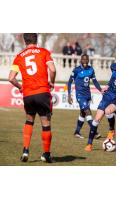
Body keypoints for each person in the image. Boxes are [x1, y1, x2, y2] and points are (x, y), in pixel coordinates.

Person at [8, 33, 56, 163]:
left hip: (28, 94)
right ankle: (46, 154)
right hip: (42, 92)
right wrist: (52, 82)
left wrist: (20, 87)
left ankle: (25, 150)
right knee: (45, 124)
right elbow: (52, 69)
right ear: (36, 40)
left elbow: (11, 78)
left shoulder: (19, 57)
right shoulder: (44, 52)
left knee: (29, 121)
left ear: (25, 41)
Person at [67, 54, 102, 139]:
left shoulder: (91, 69)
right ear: (81, 60)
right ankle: (95, 132)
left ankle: (77, 132)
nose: (85, 61)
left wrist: (101, 90)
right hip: (80, 95)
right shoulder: (76, 70)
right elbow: (69, 82)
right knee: (87, 111)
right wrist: (69, 95)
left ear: (88, 60)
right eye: (83, 59)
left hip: (88, 95)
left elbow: (95, 81)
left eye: (87, 59)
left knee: (82, 113)